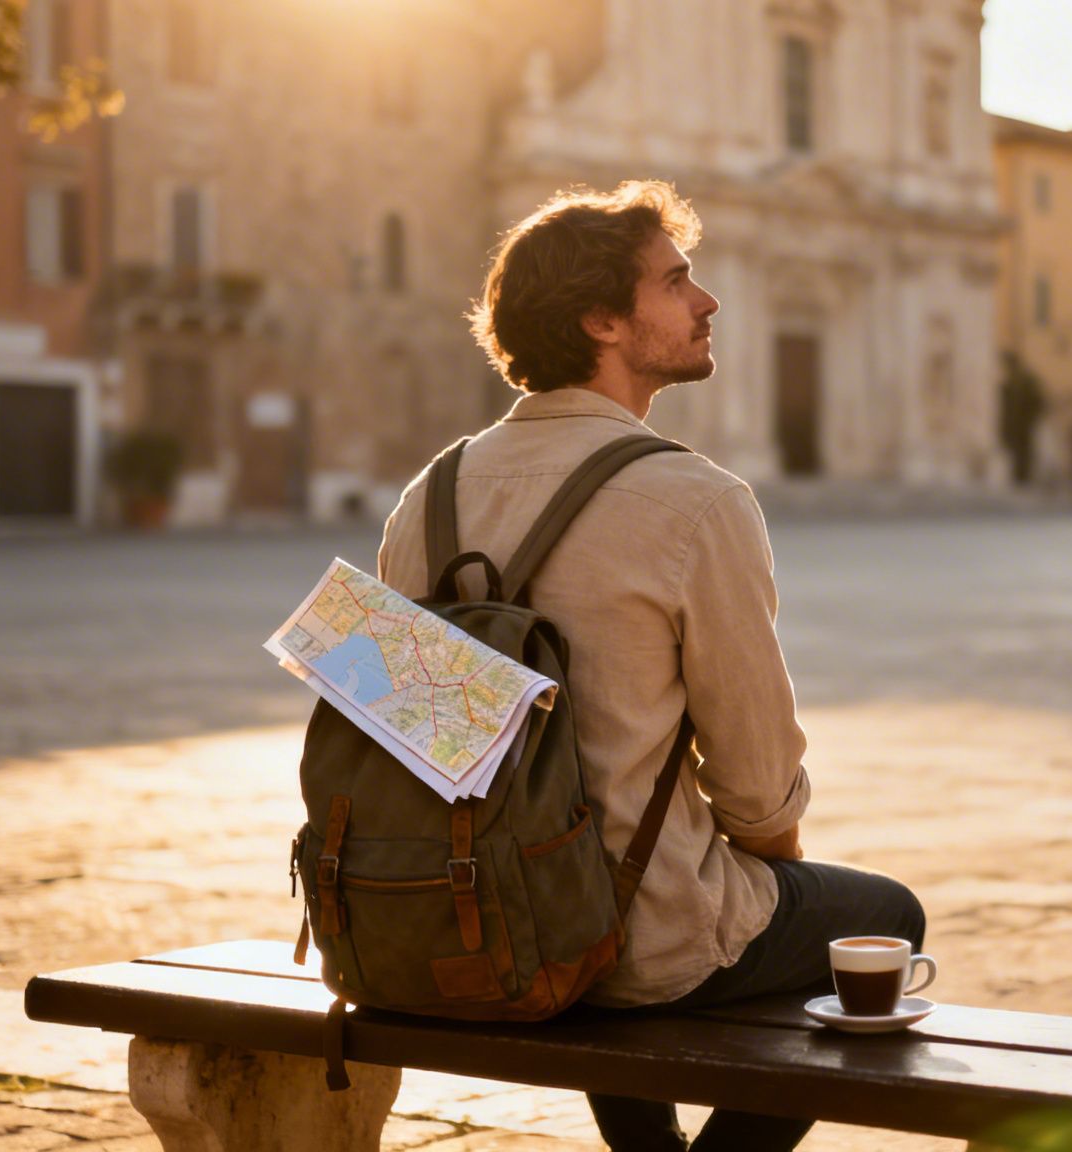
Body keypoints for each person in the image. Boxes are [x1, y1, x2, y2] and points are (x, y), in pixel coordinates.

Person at [375, 181, 925, 1152]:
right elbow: (758, 794)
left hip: (463, 925)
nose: (706, 301)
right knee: (883, 916)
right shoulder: (694, 502)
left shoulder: (427, 496)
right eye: (676, 283)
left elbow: (422, 742)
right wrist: (754, 900)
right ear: (601, 320)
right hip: (631, 940)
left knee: (609, 915)